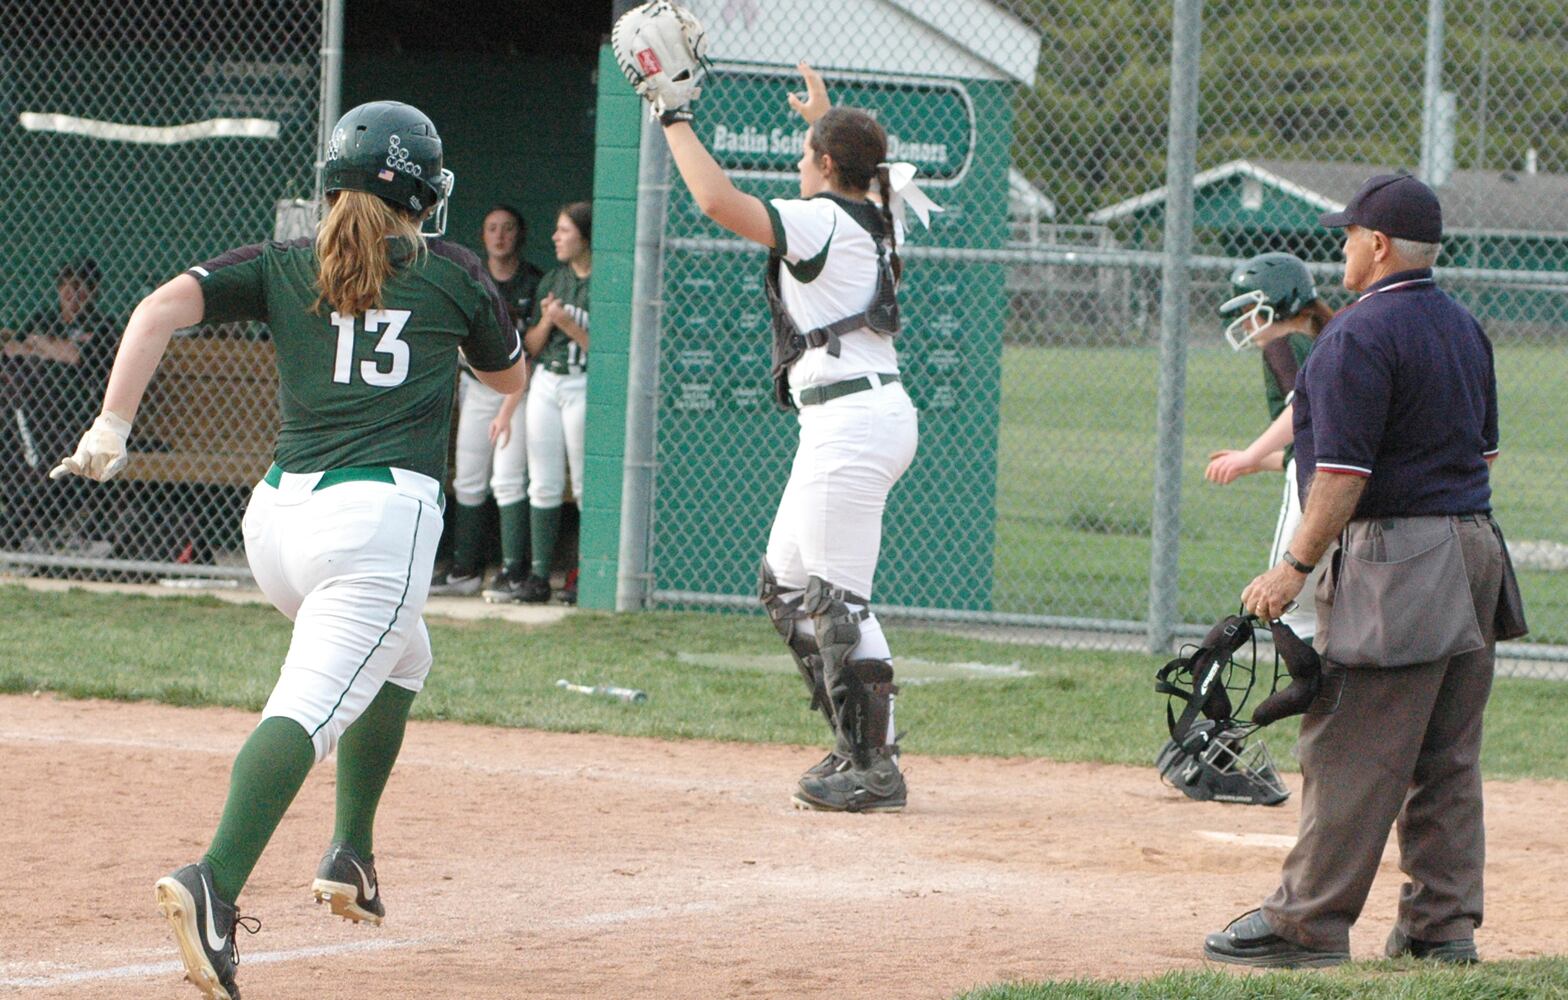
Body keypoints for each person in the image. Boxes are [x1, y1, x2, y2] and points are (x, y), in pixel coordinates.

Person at [51, 100, 525, 1000]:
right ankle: (214, 881)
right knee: (309, 706)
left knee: (400, 657)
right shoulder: (455, 270)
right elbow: (505, 374)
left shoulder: (283, 259)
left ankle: (352, 852)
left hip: (276, 521)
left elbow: (155, 309)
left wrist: (113, 426)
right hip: (374, 523)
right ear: (423, 191)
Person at [1203, 173, 1524, 969]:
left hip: (1400, 559)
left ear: (1377, 247)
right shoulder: (1462, 327)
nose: (1342, 247)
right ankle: (1438, 926)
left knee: (1351, 743)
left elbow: (1342, 477)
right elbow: (1483, 452)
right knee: (1445, 755)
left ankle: (1304, 924)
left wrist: (1293, 567)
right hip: (1476, 547)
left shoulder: (1355, 335)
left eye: (1349, 235)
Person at [652, 61, 929, 812]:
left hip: (852, 421)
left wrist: (672, 114)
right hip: (849, 417)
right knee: (786, 587)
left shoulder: (826, 218)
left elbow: (715, 199)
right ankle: (859, 740)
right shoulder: (872, 207)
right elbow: (854, 167)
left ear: (830, 166)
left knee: (838, 598)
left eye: (809, 155)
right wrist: (828, 119)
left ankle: (875, 765)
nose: (799, 166)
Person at [1204, 252, 1335, 642]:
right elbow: (1317, 442)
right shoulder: (1318, 341)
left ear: (1277, 302)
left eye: (1251, 309)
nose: (1246, 322)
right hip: (1335, 482)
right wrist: (1261, 464)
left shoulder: (1284, 343)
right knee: (1325, 603)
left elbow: (1301, 409)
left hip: (1312, 489)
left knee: (1289, 606)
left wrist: (1251, 453)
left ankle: (1314, 696)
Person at [431, 204, 543, 596]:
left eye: (508, 228)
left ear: (520, 235)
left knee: (510, 478)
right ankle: (466, 568)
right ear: (483, 236)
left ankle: (514, 569)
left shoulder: (534, 282)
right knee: (469, 476)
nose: (499, 236)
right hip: (477, 385)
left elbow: (533, 347)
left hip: (521, 387)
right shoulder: (472, 277)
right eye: (492, 228)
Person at [484, 201, 591, 605]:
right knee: (543, 483)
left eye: (564, 231)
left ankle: (582, 573)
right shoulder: (553, 279)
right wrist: (549, 321)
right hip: (547, 382)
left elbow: (604, 351)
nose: (556, 238)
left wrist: (567, 324)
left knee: (583, 484)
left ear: (585, 237)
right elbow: (529, 346)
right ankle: (539, 576)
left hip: (584, 384)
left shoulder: (603, 280)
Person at [1, 259, 119, 547]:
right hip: (28, 407)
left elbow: (77, 357)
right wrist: (49, 347)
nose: (73, 294)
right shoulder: (44, 319)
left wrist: (38, 345)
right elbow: (11, 347)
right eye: (68, 286)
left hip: (73, 410)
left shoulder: (101, 325)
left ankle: (20, 527)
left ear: (93, 292)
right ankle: (22, 522)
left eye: (81, 287)